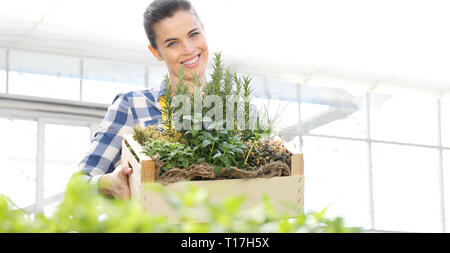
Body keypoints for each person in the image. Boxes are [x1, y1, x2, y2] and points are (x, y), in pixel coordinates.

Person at [78, 0, 209, 199]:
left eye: (194, 34)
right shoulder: (132, 107)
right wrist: (108, 182)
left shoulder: (239, 111)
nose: (189, 49)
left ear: (203, 31)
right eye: (172, 43)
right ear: (156, 52)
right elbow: (77, 186)